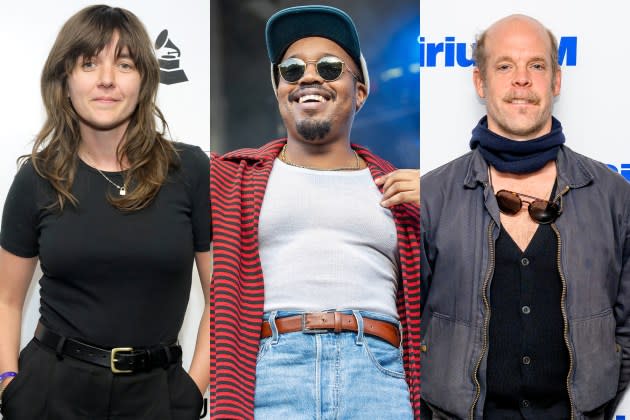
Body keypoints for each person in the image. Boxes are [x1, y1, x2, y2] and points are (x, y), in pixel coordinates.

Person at [210, 5, 420, 419]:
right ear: (279, 91)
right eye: (290, 70)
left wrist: (446, 203)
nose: (308, 77)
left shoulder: (399, 188)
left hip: (376, 373)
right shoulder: (233, 176)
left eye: (329, 67)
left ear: (360, 91)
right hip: (274, 370)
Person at [0, 5, 209, 419]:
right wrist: (10, 384)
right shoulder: (37, 177)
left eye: (125, 64)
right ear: (65, 78)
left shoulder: (190, 170)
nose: (107, 80)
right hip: (51, 394)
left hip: (159, 396)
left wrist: (192, 390)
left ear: (144, 79)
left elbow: (223, 295)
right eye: (89, 64)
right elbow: (6, 300)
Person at [420, 14, 630, 420]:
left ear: (556, 81)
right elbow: (410, 325)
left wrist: (597, 402)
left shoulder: (613, 197)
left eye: (536, 65)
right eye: (504, 66)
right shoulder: (433, 197)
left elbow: (627, 326)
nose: (522, 80)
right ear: (480, 83)